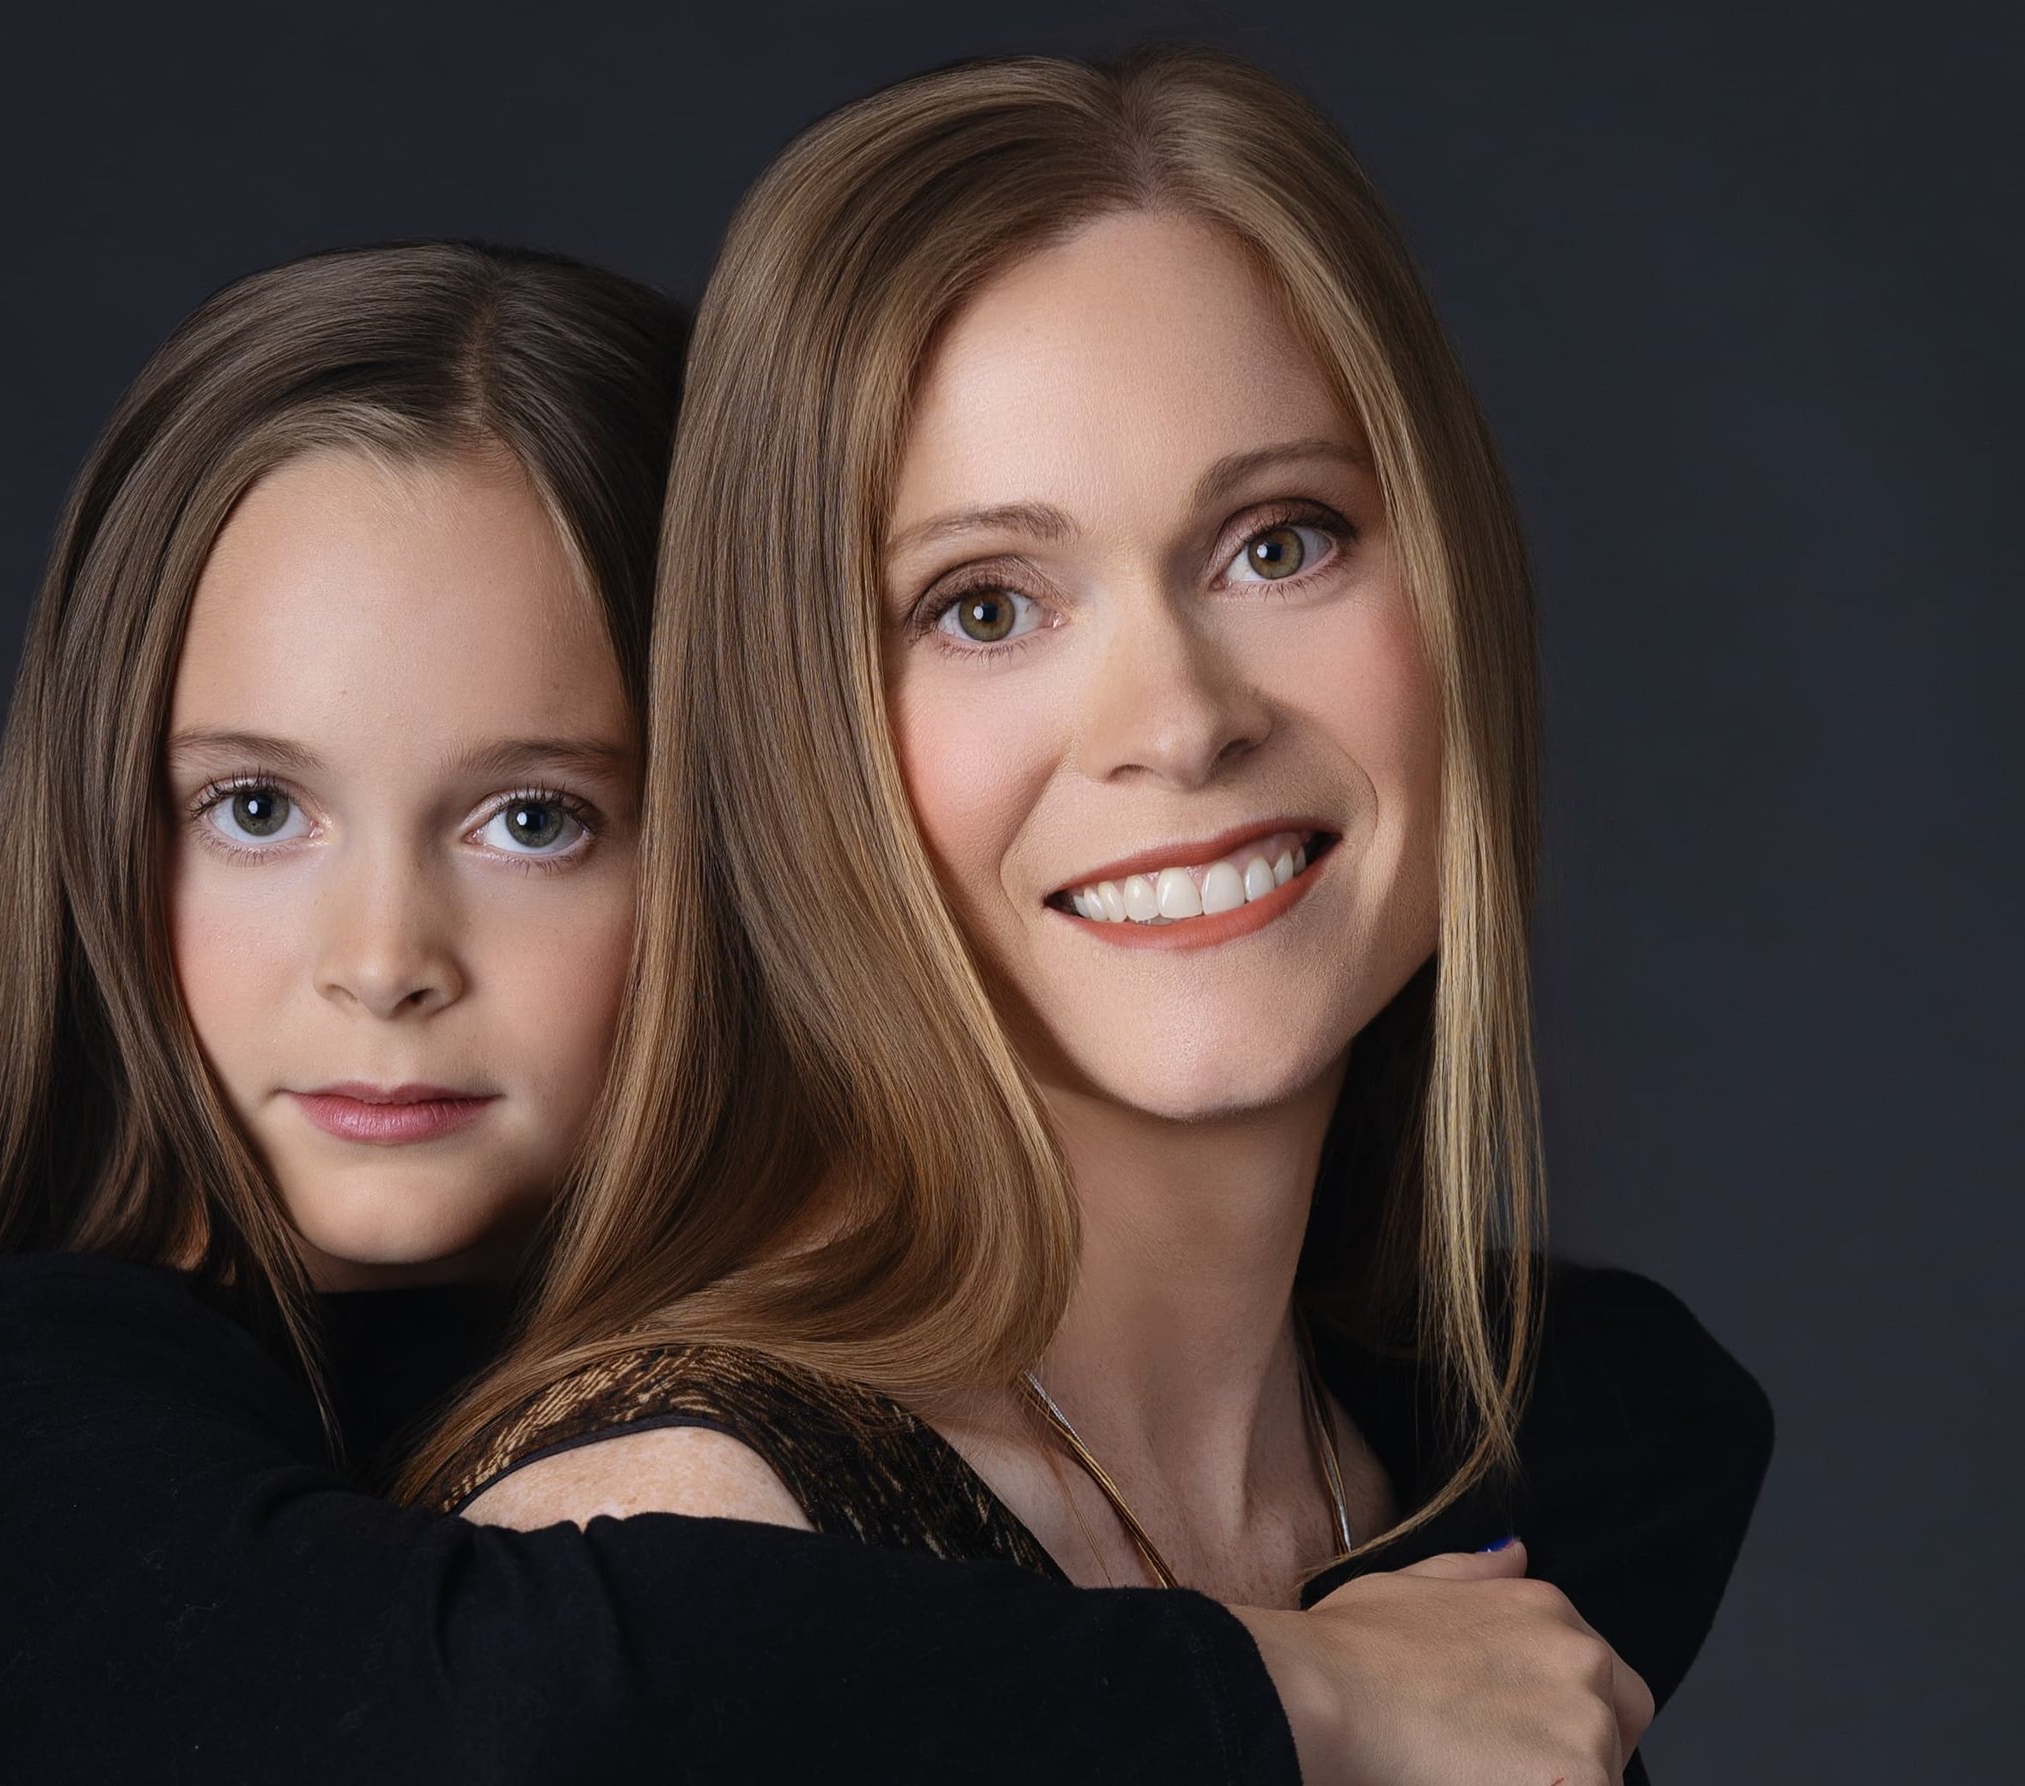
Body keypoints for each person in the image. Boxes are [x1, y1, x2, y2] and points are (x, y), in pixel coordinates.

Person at [0, 236, 1610, 1786]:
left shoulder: (976, 1382)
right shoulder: (30, 1412)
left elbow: (1623, 1414)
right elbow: (537, 1708)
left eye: (536, 819)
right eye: (257, 809)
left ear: (768, 829)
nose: (382, 956)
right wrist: (1294, 1692)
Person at [412, 49, 1772, 1786]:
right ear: (798, 730)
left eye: (1279, 544)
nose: (1180, 719)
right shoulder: (672, 1538)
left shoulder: (1457, 1466)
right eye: (985, 604)